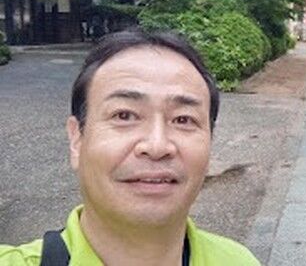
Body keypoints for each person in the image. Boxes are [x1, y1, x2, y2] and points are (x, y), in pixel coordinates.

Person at [0, 29, 260, 265]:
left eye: (183, 119)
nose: (157, 146)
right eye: (124, 116)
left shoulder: (239, 260)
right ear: (76, 139)